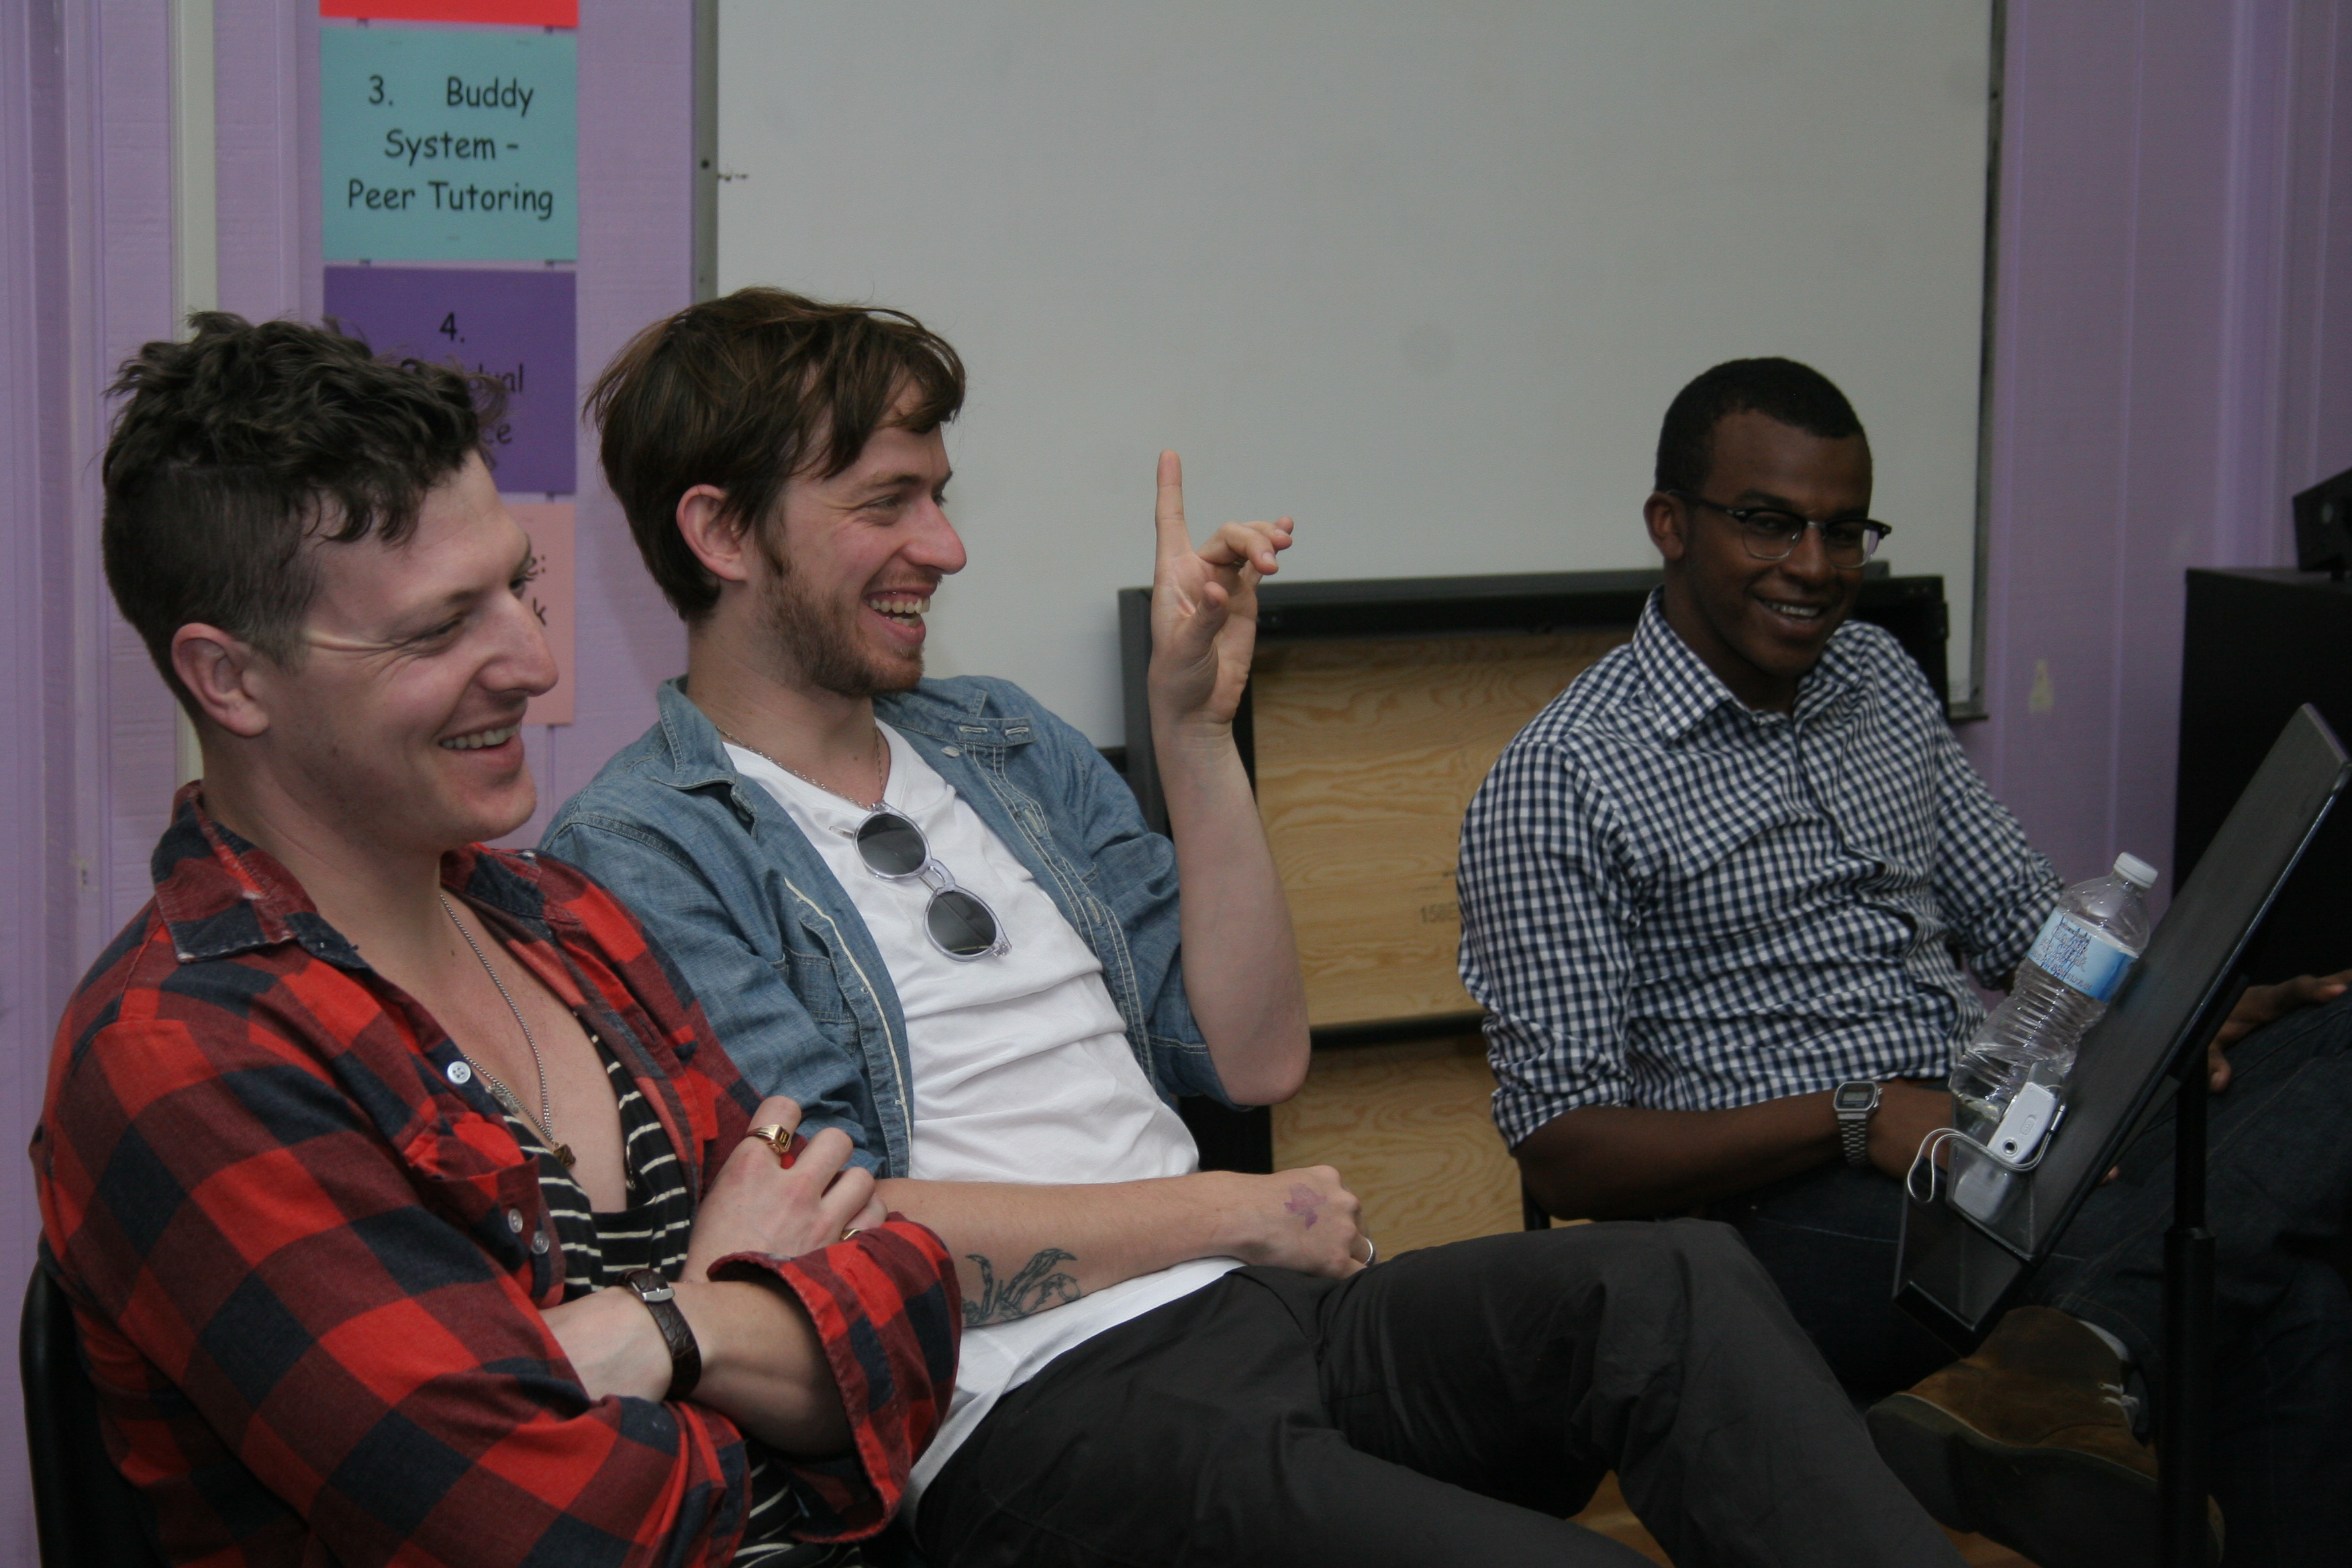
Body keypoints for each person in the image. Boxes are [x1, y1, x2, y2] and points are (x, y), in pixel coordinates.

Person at [541, 287, 1967, 1567]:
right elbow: (839, 1233)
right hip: (1023, 1417)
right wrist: (1230, 1210)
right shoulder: (644, 846)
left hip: (1252, 1316)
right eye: (887, 503)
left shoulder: (997, 740)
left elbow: (1258, 1052)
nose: (947, 545)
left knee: (1678, 1285)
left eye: (941, 495)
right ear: (722, 530)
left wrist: (1193, 734)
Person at [33, 314, 963, 1567]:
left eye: (520, 586)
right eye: (437, 630)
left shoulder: (562, 919)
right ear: (230, 680)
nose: (533, 661)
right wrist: (742, 1323)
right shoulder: (182, 1057)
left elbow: (908, 1325)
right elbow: (540, 1534)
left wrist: (654, 1339)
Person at [1456, 355, 2352, 1568]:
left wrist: (2176, 1014)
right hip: (1783, 1213)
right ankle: (2079, 1346)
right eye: (1768, 523)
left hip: (2003, 1127)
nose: (1816, 570)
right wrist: (1858, 1118)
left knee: (2332, 1044)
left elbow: (2022, 923)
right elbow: (1563, 1146)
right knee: (2276, 1296)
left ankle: (2066, 1354)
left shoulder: (1876, 676)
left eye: (1844, 532)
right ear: (1671, 524)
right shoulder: (1561, 781)